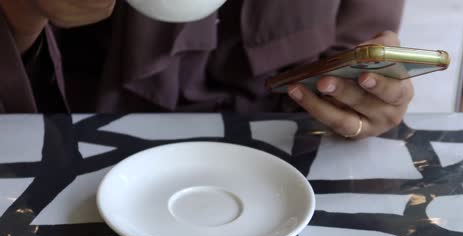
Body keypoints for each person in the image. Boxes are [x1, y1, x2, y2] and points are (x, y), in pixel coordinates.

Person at [0, 0, 413, 139]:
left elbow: (359, 47)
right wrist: (20, 14)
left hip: (284, 143)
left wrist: (362, 98)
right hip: (84, 132)